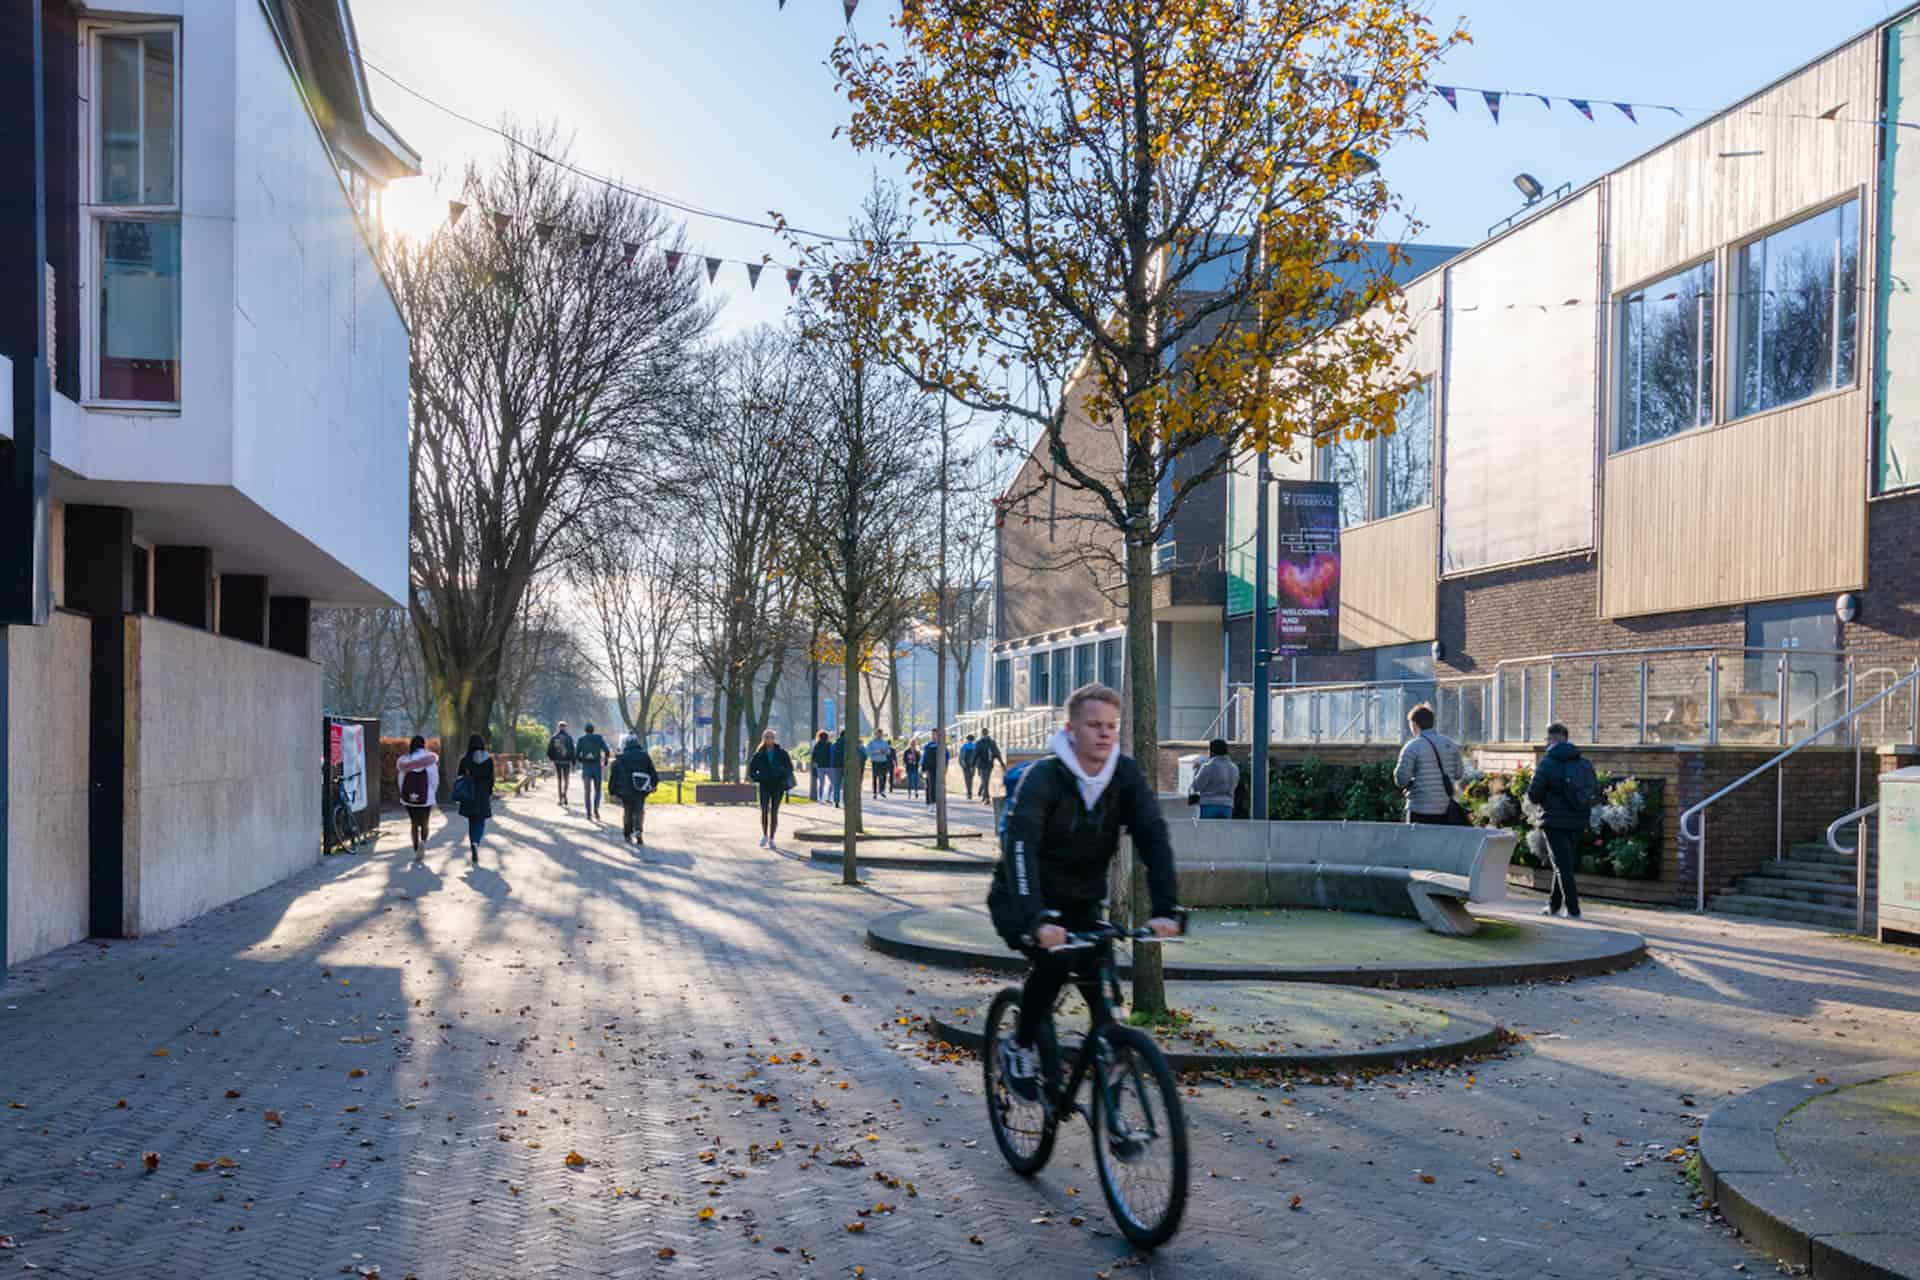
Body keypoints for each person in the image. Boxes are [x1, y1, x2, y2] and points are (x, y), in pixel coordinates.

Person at [987, 684, 1181, 1100]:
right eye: (1094, 725)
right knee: (1055, 964)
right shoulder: (1045, 778)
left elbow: (1153, 838)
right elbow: (1020, 846)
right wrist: (1036, 918)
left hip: (1081, 903)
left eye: (1111, 726)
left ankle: (1111, 1083)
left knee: (1102, 985)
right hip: (1021, 897)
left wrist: (1166, 907)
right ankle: (1019, 1046)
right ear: (1071, 728)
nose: (1104, 734)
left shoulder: (1124, 776)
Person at [1528, 722, 1598, 919]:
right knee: (1564, 864)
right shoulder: (1584, 763)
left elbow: (1534, 794)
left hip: (1554, 822)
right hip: (1578, 820)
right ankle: (1553, 905)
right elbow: (1593, 791)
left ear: (1551, 740)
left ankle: (1573, 909)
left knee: (1562, 866)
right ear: (1566, 738)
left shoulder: (1548, 763)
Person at [1393, 704, 1467, 825]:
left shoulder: (1412, 747)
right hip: (1445, 809)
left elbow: (1401, 780)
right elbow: (1459, 774)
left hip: (1419, 809)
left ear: (1415, 724)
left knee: (1418, 843)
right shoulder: (1450, 744)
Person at [608, 733, 659, 847]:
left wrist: (612, 791)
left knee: (627, 810)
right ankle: (638, 831)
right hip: (640, 788)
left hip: (625, 789)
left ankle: (627, 833)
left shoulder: (621, 757)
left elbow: (614, 776)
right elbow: (652, 771)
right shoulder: (644, 755)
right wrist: (654, 784)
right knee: (639, 809)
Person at [749, 729, 797, 849]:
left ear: (774, 739)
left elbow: (790, 768)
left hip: (778, 786)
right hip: (765, 785)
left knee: (774, 812)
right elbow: (751, 771)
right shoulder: (759, 754)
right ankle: (764, 835)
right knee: (764, 810)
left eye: (771, 737)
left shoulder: (782, 753)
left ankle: (772, 838)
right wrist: (759, 778)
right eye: (767, 737)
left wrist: (781, 772)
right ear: (763, 739)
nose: (769, 739)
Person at [395, 734, 439, 862]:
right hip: (426, 797)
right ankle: (423, 843)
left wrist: (403, 793)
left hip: (409, 798)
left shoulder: (404, 761)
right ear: (423, 744)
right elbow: (434, 780)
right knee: (425, 822)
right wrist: (432, 792)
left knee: (414, 823)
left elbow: (401, 780)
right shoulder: (430, 760)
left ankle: (415, 849)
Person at [455, 734, 495, 864]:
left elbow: (459, 776)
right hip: (482, 793)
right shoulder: (488, 759)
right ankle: (476, 843)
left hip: (469, 793)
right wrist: (489, 792)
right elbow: (491, 778)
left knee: (472, 820)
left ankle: (473, 842)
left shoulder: (465, 759)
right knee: (481, 820)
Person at [1188, 739, 1240, 819]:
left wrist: (1196, 772)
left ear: (1212, 751)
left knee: (1208, 830)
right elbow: (1234, 785)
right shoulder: (1234, 768)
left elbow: (1196, 786)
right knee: (1224, 830)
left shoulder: (1208, 767)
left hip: (1208, 804)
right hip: (1227, 806)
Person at [574, 722, 610, 821]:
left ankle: (588, 813)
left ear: (585, 730)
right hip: (597, 766)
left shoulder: (581, 739)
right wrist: (605, 761)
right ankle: (596, 809)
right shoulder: (599, 738)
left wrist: (583, 761)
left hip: (586, 767)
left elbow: (576, 755)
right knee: (598, 790)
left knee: (587, 791)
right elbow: (606, 750)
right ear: (593, 730)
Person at [547, 721, 577, 807]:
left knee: (559, 780)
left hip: (558, 762)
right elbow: (573, 750)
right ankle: (564, 794)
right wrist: (574, 762)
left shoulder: (554, 737)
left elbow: (549, 750)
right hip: (566, 762)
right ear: (565, 727)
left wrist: (552, 759)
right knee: (566, 780)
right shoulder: (569, 737)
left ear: (558, 727)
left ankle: (560, 798)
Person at [973, 730, 1004, 806]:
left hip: (988, 765)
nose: (985, 735)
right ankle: (985, 797)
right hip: (983, 765)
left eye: (985, 734)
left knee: (985, 781)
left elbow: (996, 753)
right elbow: (975, 754)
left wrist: (1001, 763)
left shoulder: (990, 743)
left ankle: (985, 796)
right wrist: (972, 764)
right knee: (985, 781)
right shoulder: (980, 743)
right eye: (984, 734)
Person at [922, 729, 944, 807]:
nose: (934, 736)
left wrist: (945, 768)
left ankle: (936, 801)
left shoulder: (942, 745)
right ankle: (930, 801)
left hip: (939, 768)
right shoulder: (928, 746)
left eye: (935, 735)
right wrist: (923, 769)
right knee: (929, 784)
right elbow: (924, 758)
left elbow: (946, 757)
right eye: (933, 735)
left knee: (937, 785)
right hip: (929, 768)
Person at [867, 730, 892, 798]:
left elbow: (889, 752)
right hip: (875, 761)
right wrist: (876, 751)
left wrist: (885, 751)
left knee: (884, 776)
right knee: (875, 776)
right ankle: (874, 792)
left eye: (881, 734)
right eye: (878, 734)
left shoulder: (884, 742)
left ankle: (882, 790)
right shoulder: (871, 742)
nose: (880, 735)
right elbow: (868, 752)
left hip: (883, 761)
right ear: (875, 734)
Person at [809, 731, 832, 802]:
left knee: (821, 783)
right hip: (829, 766)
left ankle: (820, 798)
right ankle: (828, 797)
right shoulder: (829, 744)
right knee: (833, 782)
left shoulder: (817, 745)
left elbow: (813, 755)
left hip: (820, 766)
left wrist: (814, 764)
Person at [830, 730, 848, 807]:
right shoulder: (848, 744)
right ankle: (845, 801)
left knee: (836, 784)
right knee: (846, 785)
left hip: (835, 766)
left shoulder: (834, 744)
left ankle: (836, 801)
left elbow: (831, 755)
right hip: (845, 766)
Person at [960, 733, 979, 799]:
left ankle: (969, 793)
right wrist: (976, 765)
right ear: (973, 739)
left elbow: (961, 757)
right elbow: (977, 757)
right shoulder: (975, 746)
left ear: (967, 739)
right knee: (971, 779)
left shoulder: (963, 746)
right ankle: (969, 792)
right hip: (972, 766)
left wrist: (962, 765)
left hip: (965, 766)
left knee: (967, 779)